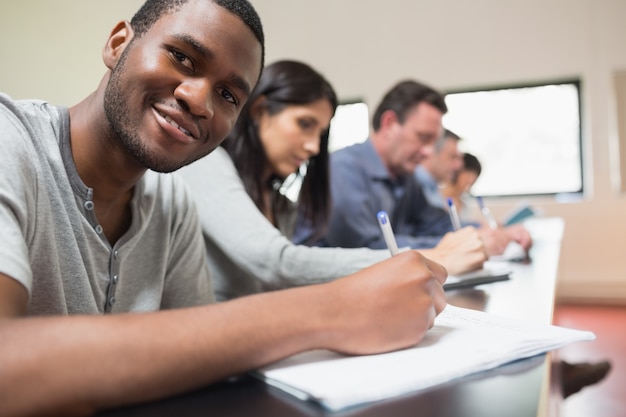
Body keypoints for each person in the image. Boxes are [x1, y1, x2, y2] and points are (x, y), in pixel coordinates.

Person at [0, 1, 449, 416]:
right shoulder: (11, 142)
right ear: (119, 43)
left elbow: (201, 359)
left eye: (229, 96)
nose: (199, 99)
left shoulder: (170, 202)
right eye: (182, 58)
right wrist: (332, 310)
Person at [177, 60, 487, 300]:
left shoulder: (279, 203)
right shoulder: (206, 162)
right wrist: (427, 257)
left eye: (319, 134)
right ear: (259, 111)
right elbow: (276, 263)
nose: (313, 147)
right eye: (304, 124)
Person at [415, 130, 533, 255]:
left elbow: (440, 225)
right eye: (452, 157)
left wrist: (484, 232)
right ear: (429, 151)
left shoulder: (429, 188)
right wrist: (473, 240)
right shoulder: (419, 187)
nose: (458, 165)